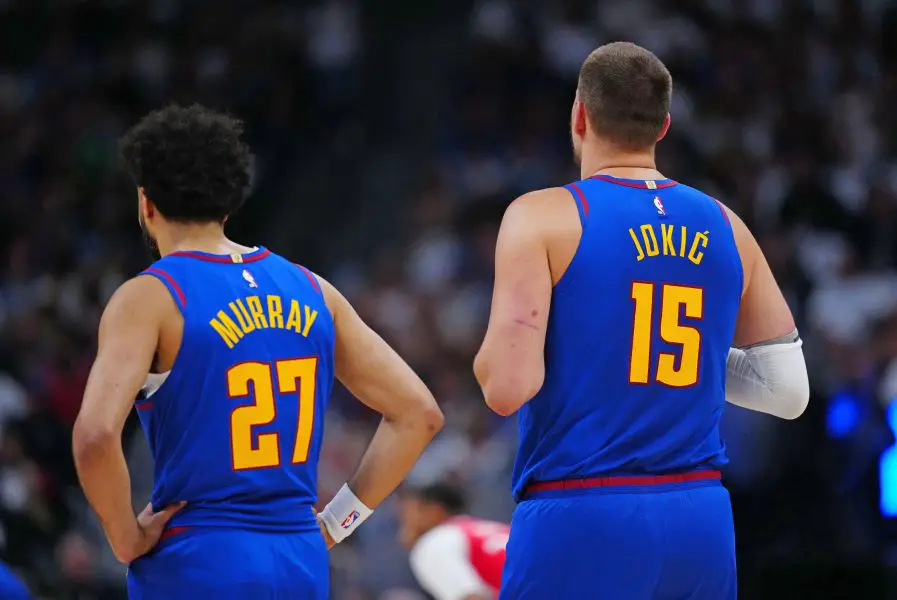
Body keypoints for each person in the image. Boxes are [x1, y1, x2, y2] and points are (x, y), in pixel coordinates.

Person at [474, 42, 810, 600]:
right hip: (699, 519)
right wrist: (686, 355)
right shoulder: (726, 223)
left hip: (582, 511)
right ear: (664, 126)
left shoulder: (541, 216)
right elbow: (788, 391)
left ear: (579, 115)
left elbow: (507, 388)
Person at [72, 104, 444, 599]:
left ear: (145, 203)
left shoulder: (150, 297)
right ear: (229, 204)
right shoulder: (312, 288)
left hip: (199, 554)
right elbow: (418, 413)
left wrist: (126, 537)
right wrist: (335, 523)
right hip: (298, 558)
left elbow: (95, 435)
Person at [398, 483, 508, 600]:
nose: (403, 526)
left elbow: (471, 598)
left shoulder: (434, 543)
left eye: (406, 515)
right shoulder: (496, 529)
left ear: (433, 511)